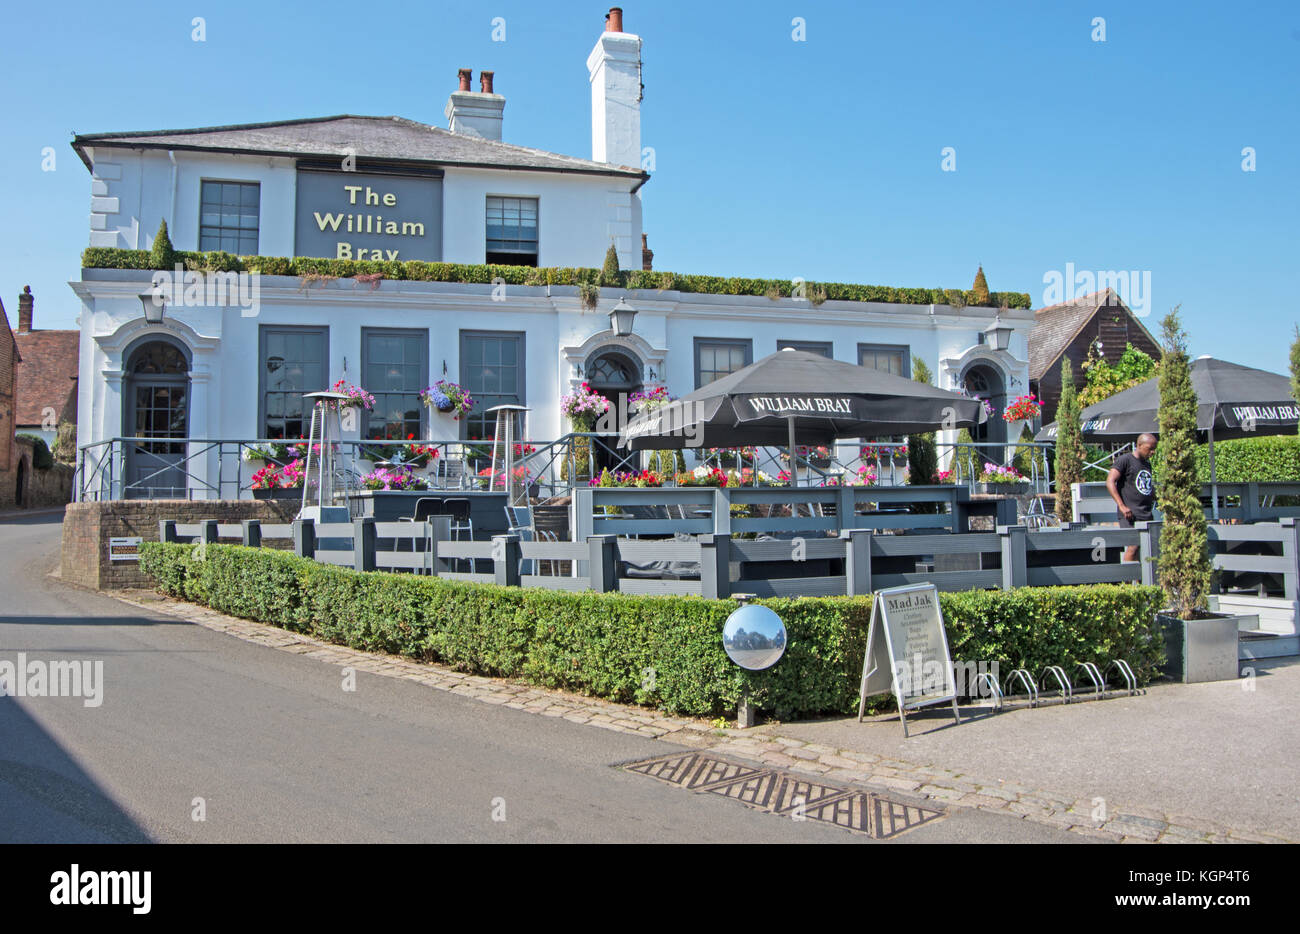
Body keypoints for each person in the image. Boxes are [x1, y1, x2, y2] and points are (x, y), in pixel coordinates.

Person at [1107, 433, 1157, 561]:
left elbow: (1146, 487)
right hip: (1129, 514)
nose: (1153, 452)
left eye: (1154, 448)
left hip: (1145, 513)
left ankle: (1140, 580)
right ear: (1139, 445)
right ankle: (1127, 580)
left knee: (1146, 548)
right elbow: (1110, 481)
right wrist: (1122, 506)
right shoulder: (1125, 460)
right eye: (1150, 448)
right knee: (1133, 546)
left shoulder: (1147, 464)